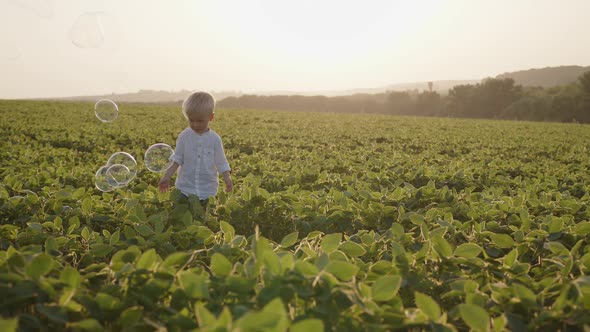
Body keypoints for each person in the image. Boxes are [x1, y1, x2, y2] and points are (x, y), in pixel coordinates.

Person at [158, 92, 233, 209]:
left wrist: (227, 179)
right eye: (191, 120)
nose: (195, 125)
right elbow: (177, 159)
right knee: (181, 215)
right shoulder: (184, 136)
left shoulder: (215, 139)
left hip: (208, 190)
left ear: (211, 117)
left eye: (200, 121)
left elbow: (221, 162)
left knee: (204, 217)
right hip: (184, 189)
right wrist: (167, 176)